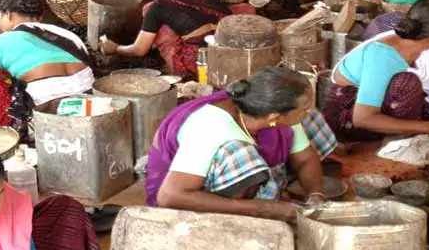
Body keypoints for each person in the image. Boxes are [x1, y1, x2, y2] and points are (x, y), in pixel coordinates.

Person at [145, 67, 338, 221]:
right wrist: (265, 209)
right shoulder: (212, 126)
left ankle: (262, 193)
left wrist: (316, 195)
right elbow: (170, 196)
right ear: (274, 116)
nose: (308, 111)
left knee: (310, 121)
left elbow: (305, 159)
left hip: (228, 179)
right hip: (183, 204)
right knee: (240, 155)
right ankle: (238, 218)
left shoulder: (273, 113)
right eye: (303, 109)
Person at [321, 0, 429, 141]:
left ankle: (412, 128)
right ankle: (399, 138)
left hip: (393, 103)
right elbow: (362, 118)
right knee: (406, 83)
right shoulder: (382, 56)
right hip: (350, 113)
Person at [99, 0, 252, 78]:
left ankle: (182, 72)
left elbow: (139, 50)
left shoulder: (156, 8)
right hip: (238, 48)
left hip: (204, 60)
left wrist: (115, 48)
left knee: (163, 30)